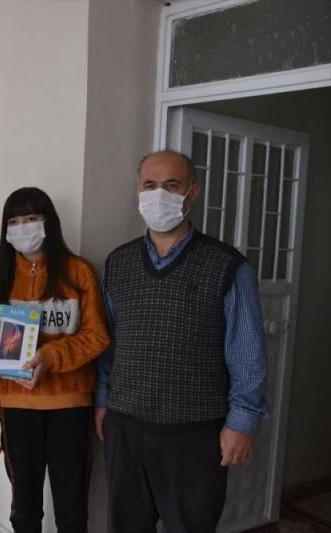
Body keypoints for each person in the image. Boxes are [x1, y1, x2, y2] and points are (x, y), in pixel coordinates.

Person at [94, 150, 268, 533]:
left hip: (194, 434)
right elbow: (109, 344)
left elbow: (247, 353)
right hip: (125, 426)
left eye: (171, 185)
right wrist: (103, 400)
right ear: (138, 192)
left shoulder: (228, 266)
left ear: (193, 192)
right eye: (150, 185)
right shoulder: (118, 263)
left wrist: (242, 421)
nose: (159, 194)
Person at [0, 187, 110, 533]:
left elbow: (97, 336)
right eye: (14, 221)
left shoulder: (79, 272)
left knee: (72, 508)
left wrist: (50, 357)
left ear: (48, 222)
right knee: (24, 509)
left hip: (70, 406)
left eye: (31, 218)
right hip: (16, 407)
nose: (23, 227)